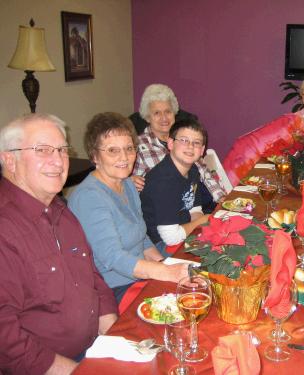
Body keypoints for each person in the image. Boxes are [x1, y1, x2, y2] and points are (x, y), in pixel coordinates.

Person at [0, 113, 117, 375]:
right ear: (10, 160)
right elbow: (7, 342)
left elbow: (93, 278)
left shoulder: (60, 210)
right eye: (42, 150)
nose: (58, 160)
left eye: (62, 150)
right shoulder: (5, 228)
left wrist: (116, 338)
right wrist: (78, 371)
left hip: (92, 349)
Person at [68, 113, 188, 303]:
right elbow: (112, 257)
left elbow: (142, 238)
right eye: (112, 150)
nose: (124, 157)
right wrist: (164, 272)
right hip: (113, 289)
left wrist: (164, 264)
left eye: (129, 148)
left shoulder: (128, 184)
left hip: (140, 276)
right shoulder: (89, 198)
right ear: (94, 156)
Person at [131, 84, 226, 209]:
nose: (164, 118)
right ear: (148, 117)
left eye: (168, 111)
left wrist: (221, 199)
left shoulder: (186, 138)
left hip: (201, 200)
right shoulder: (138, 146)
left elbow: (204, 172)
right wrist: (128, 182)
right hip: (174, 209)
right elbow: (130, 186)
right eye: (157, 113)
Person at [141, 118, 211, 250]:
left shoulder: (193, 170)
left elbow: (194, 208)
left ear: (202, 150)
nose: (190, 146)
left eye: (196, 143)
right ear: (171, 144)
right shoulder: (162, 182)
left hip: (183, 232)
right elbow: (171, 238)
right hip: (161, 244)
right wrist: (201, 222)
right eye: (184, 140)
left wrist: (202, 228)